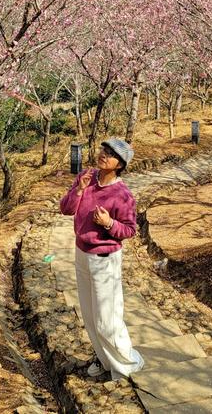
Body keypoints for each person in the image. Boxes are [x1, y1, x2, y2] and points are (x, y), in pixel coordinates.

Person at [59, 137, 144, 381]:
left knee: (107, 318)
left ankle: (125, 363)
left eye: (110, 153)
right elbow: (65, 208)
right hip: (82, 253)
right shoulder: (86, 177)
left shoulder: (123, 195)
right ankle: (104, 358)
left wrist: (109, 223)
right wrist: (79, 189)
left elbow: (129, 230)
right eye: (103, 149)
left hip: (105, 259)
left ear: (119, 164)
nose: (103, 154)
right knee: (89, 314)